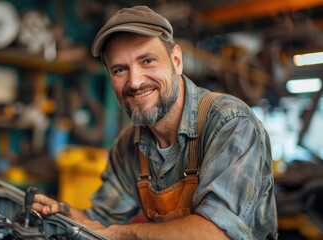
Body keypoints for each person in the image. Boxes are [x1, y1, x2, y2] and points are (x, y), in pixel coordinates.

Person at [32, 5, 277, 240]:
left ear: (176, 61)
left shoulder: (230, 122)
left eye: (147, 61)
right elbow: (100, 222)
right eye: (119, 70)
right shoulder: (129, 146)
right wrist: (64, 212)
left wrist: (121, 234)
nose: (135, 82)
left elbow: (216, 234)